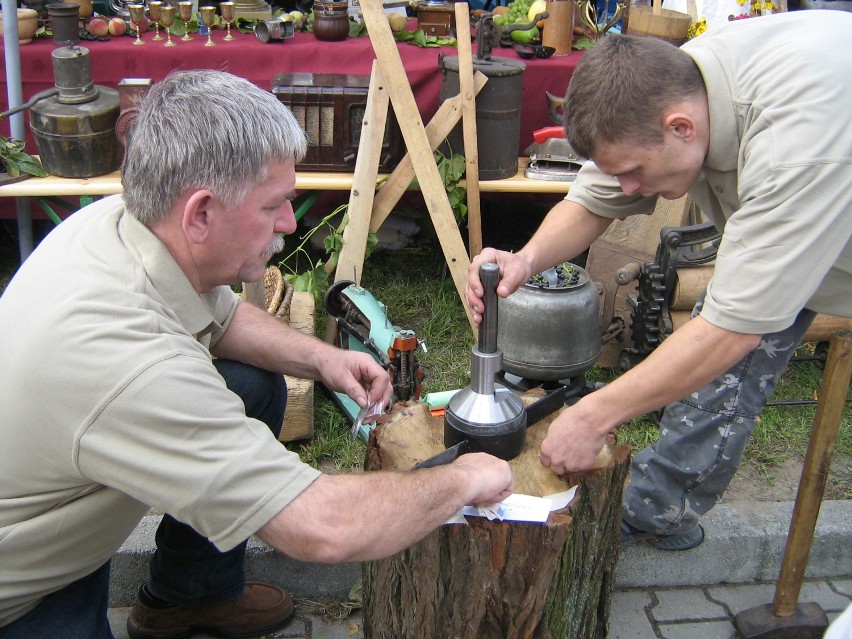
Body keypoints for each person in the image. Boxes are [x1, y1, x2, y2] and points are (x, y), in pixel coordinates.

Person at [0, 70, 514, 639]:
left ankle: (188, 597)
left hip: (57, 512)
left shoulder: (118, 223)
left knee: (251, 383)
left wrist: (324, 361)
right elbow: (322, 526)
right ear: (200, 213)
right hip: (26, 591)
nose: (291, 224)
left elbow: (220, 317)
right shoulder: (132, 364)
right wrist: (462, 479)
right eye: (274, 205)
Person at [466, 10, 851, 551]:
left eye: (635, 173)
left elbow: (730, 331)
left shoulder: (799, 143)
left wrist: (594, 414)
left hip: (831, 205)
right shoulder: (663, 91)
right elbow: (596, 197)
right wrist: (525, 260)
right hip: (807, 213)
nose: (628, 187)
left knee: (726, 338)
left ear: (681, 128)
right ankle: (659, 508)